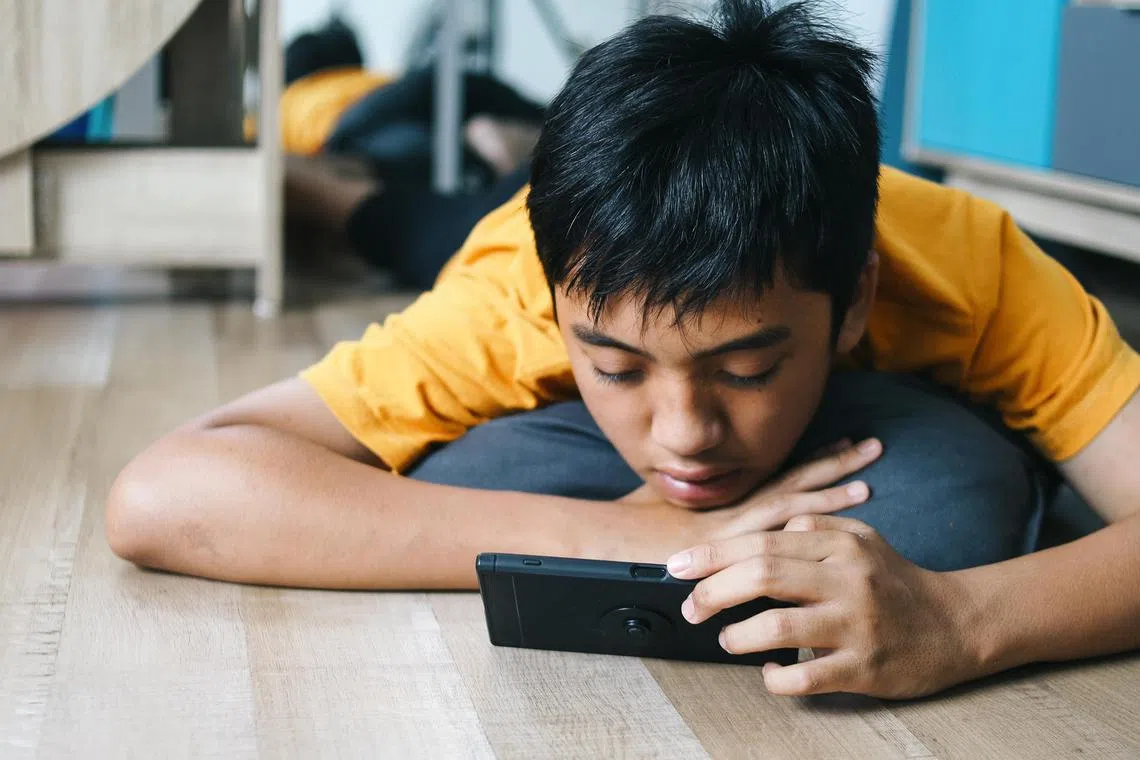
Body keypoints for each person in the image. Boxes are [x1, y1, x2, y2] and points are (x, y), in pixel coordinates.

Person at [105, 0, 1140, 700]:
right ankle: (345, 168)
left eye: (746, 369)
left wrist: (964, 622)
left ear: (856, 297)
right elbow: (162, 494)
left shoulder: (973, 267)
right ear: (559, 310)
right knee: (395, 208)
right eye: (615, 369)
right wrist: (637, 533)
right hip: (476, 201)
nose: (684, 435)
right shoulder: (512, 290)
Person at [281, 16, 542, 288]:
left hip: (356, 130)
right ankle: (518, 136)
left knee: (377, 167)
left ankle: (478, 160)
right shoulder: (370, 78)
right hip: (426, 84)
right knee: (542, 120)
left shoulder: (289, 100)